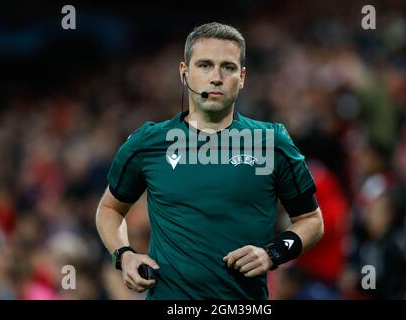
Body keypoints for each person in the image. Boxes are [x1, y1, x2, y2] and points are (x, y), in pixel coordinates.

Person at [95, 22, 324, 300]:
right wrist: (124, 255)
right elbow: (109, 209)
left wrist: (272, 253)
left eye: (227, 67)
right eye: (204, 65)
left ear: (241, 77)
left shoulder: (271, 141)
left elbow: (312, 220)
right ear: (184, 72)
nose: (216, 77)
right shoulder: (148, 142)